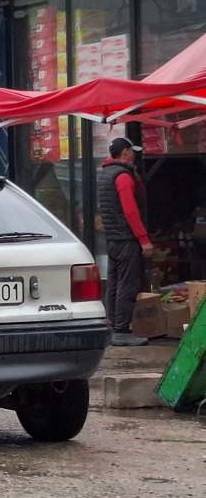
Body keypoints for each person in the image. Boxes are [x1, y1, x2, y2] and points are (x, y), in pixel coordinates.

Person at [99, 137, 152, 347]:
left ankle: (113, 327)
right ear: (125, 153)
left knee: (113, 284)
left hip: (112, 238)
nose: (134, 155)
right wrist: (144, 240)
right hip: (126, 239)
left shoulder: (106, 173)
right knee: (127, 285)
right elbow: (130, 211)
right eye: (132, 151)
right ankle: (121, 330)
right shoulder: (123, 177)